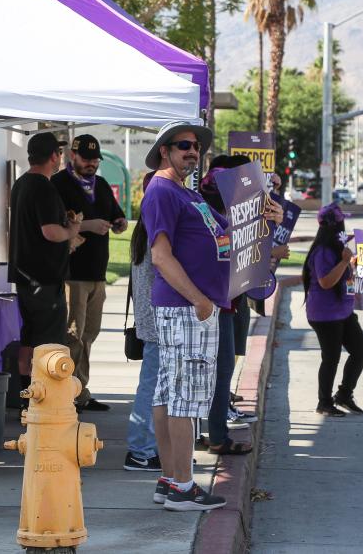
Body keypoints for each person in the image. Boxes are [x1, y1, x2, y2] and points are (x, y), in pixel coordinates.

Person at [141, 120, 229, 512]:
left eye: (196, 146)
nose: (192, 151)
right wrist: (200, 301)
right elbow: (161, 256)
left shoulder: (184, 192)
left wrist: (268, 219)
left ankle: (170, 479)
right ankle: (182, 486)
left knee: (169, 392)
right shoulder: (161, 190)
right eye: (183, 146)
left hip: (189, 308)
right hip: (186, 308)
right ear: (165, 150)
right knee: (184, 397)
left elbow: (224, 235)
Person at [196, 155, 282, 455]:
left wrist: (272, 216)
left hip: (222, 297)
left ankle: (208, 432)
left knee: (213, 370)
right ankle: (217, 436)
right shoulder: (217, 197)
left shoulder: (218, 196)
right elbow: (224, 243)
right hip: (211, 298)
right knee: (218, 371)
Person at [51, 134, 128, 412]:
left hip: (98, 273)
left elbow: (117, 215)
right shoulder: (59, 184)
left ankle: (80, 391)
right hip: (72, 273)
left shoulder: (102, 185)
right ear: (73, 156)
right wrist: (88, 225)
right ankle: (68, 394)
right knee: (73, 334)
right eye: (86, 159)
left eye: (95, 159)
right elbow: (54, 225)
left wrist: (119, 222)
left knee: (89, 335)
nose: (92, 164)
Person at [8, 132, 82, 404]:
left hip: (27, 275)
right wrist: (71, 230)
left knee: (29, 340)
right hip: (45, 278)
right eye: (59, 153)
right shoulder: (43, 187)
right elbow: (50, 232)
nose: (60, 158)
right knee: (50, 343)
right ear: (53, 156)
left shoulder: (22, 184)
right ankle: (45, 401)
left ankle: (26, 395)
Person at [302, 202, 363, 417]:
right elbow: (325, 282)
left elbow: (342, 278)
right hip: (325, 314)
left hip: (343, 311)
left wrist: (351, 267)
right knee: (331, 358)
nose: (344, 227)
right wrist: (344, 263)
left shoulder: (338, 248)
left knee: (359, 350)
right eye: (341, 223)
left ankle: (344, 395)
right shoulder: (322, 251)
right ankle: (324, 402)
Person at [124, 171, 161, 471]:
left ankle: (148, 446)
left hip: (150, 318)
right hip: (156, 320)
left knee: (154, 385)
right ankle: (140, 450)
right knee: (151, 386)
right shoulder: (153, 227)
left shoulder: (143, 227)